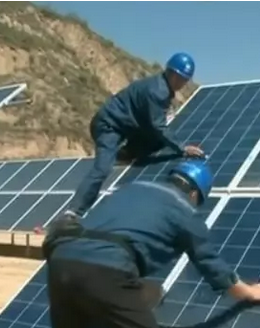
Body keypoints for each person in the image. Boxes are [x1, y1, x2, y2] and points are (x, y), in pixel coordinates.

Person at [44, 161, 260, 328]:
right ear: (194, 194)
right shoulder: (184, 211)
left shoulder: (131, 188)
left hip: (60, 259)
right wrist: (249, 292)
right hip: (105, 270)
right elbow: (209, 262)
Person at [63, 52, 206, 221]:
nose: (183, 83)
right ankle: (74, 212)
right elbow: (158, 127)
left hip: (127, 127)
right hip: (108, 126)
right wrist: (182, 148)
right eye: (182, 79)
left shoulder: (162, 86)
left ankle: (125, 153)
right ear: (172, 74)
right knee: (103, 168)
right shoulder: (157, 91)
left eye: (186, 80)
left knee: (159, 142)